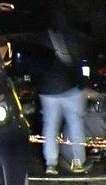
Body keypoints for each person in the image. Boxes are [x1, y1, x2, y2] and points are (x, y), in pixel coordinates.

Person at [35, 28, 89, 175]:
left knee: (50, 128)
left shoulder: (39, 40)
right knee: (75, 126)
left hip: (47, 91)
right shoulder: (72, 38)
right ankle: (77, 161)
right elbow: (82, 63)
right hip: (70, 88)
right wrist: (84, 85)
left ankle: (51, 164)